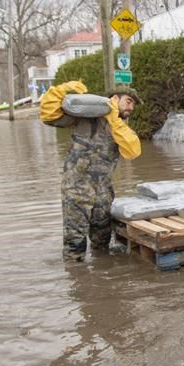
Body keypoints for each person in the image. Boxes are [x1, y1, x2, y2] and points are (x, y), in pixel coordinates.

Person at [40, 81, 141, 259]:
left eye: (133, 104)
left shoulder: (120, 126)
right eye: (129, 101)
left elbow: (133, 151)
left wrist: (114, 120)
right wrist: (63, 89)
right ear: (115, 98)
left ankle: (101, 278)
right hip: (76, 190)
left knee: (102, 243)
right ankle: (77, 279)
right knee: (75, 243)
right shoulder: (83, 117)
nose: (131, 107)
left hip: (103, 191)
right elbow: (48, 115)